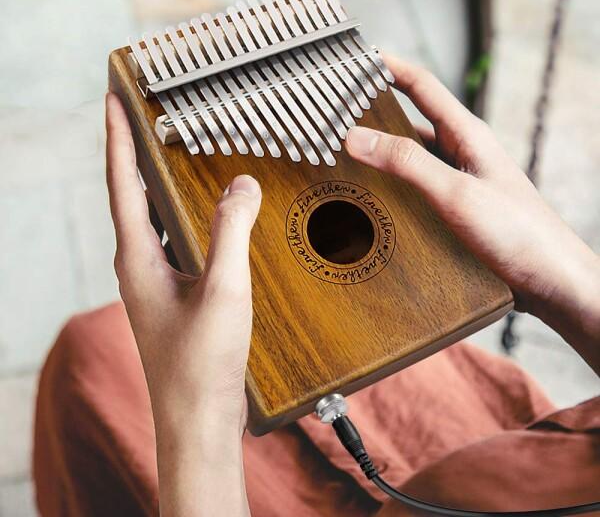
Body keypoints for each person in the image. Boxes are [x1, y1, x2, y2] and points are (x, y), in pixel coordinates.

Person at [34, 57, 600, 517]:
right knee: (342, 316)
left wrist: (197, 423)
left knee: (95, 359)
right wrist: (564, 275)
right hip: (489, 465)